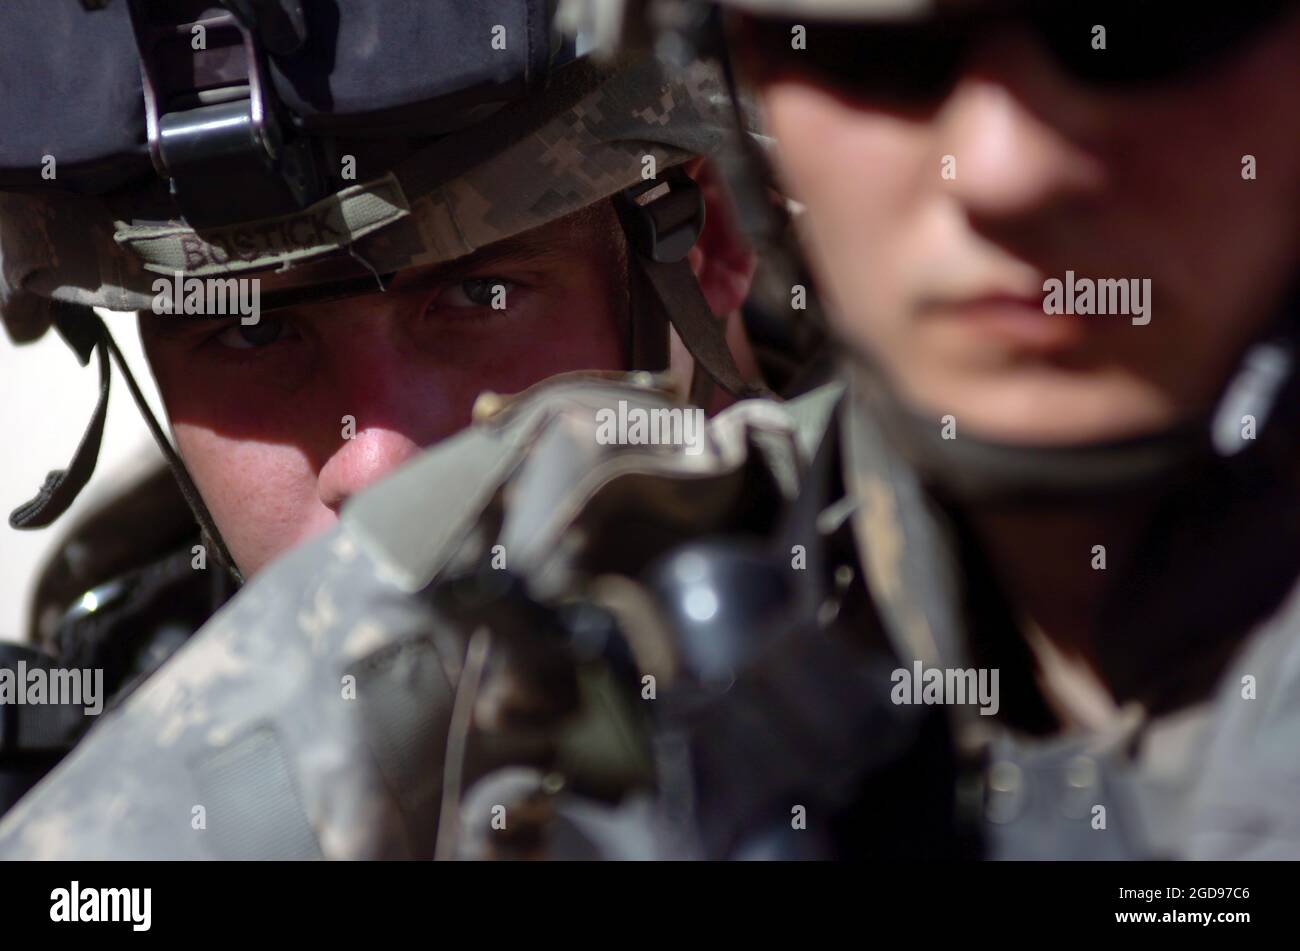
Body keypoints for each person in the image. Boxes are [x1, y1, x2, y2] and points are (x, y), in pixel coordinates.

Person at [0, 1, 769, 837]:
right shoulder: (93, 757)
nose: (372, 465)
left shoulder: (903, 669)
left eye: (481, 294)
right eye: (251, 330)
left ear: (710, 245)